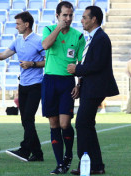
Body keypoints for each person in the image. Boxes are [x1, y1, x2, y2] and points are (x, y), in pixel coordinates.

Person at [0, 11, 45, 162]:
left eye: (18, 23)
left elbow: (48, 61)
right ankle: (27, 150)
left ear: (26, 24)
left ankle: (34, 152)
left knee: (28, 118)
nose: (16, 26)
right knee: (25, 119)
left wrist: (33, 64)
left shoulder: (39, 40)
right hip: (22, 85)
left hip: (36, 85)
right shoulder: (17, 41)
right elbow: (3, 55)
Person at [67, 6, 119, 175]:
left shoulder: (101, 38)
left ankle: (86, 164)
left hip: (96, 88)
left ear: (94, 19)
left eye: (84, 17)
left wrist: (77, 69)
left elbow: (97, 65)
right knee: (86, 124)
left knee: (82, 123)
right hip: (89, 87)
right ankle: (96, 165)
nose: (81, 20)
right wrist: (80, 84)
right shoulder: (93, 38)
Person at [41, 1, 86, 174]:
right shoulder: (49, 29)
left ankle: (68, 154)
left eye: (70, 15)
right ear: (57, 16)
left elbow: (81, 63)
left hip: (67, 82)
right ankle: (60, 164)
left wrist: (79, 83)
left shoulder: (78, 37)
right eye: (64, 15)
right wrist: (58, 28)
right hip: (50, 81)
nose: (68, 18)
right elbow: (45, 45)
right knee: (53, 124)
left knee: (64, 123)